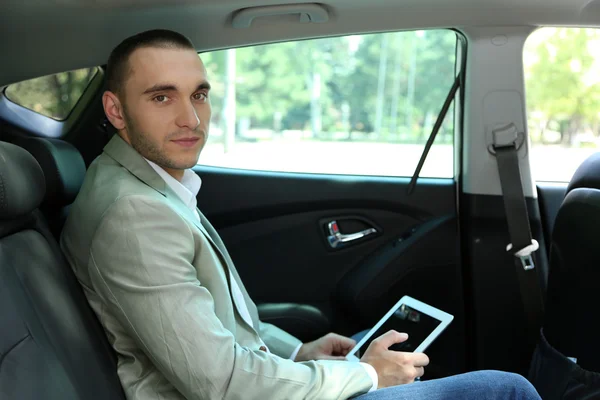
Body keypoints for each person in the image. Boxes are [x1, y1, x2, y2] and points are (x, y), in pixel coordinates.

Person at [60, 29, 541, 400]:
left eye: (199, 94)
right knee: (507, 390)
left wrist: (298, 351)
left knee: (384, 350)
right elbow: (223, 383)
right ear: (116, 110)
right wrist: (364, 375)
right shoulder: (135, 215)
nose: (191, 117)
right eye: (162, 97)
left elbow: (224, 324)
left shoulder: (147, 183)